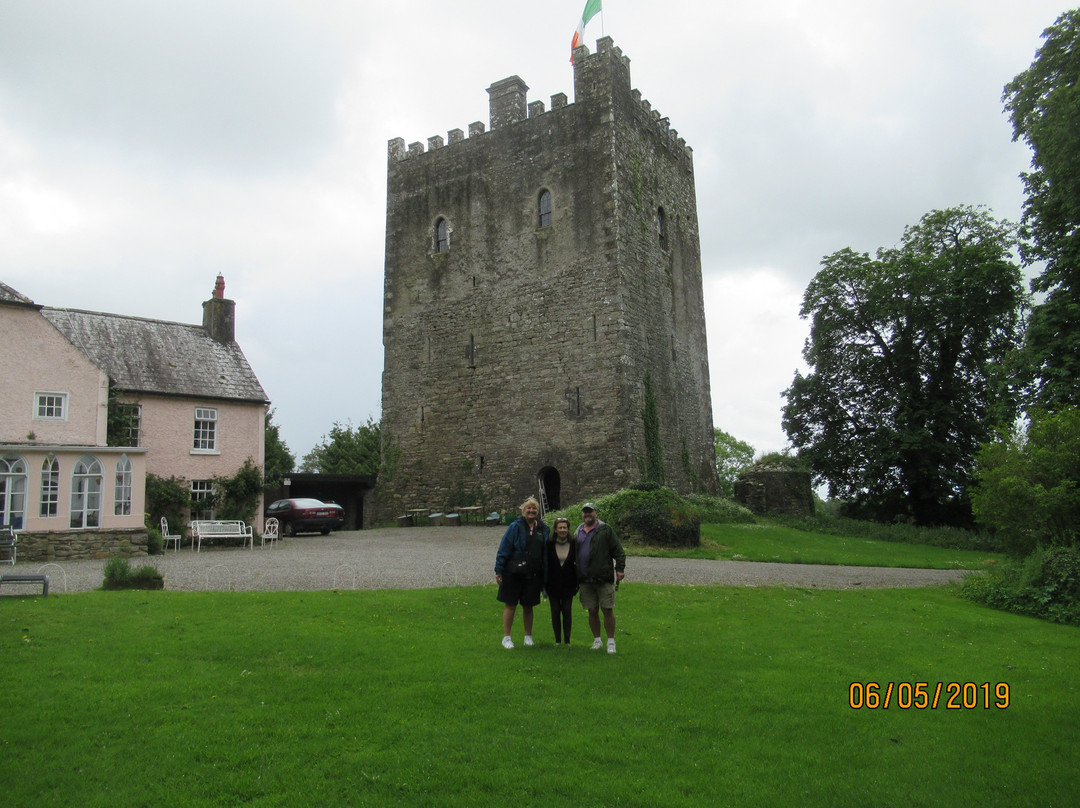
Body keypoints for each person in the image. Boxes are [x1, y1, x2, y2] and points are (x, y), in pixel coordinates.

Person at [494, 497, 549, 649]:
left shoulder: (543, 529)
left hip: (533, 573)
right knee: (511, 604)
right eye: (528, 508)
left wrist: (545, 575)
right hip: (514, 572)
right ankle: (506, 637)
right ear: (523, 510)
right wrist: (499, 569)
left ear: (538, 511)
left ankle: (528, 636)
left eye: (534, 508)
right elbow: (504, 548)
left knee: (528, 605)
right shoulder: (515, 527)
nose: (531, 511)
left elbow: (545, 553)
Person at [575, 502, 625, 653]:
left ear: (596, 512)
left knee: (607, 609)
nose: (587, 514)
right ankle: (597, 640)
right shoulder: (578, 530)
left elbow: (618, 550)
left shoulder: (605, 529)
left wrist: (620, 569)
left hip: (603, 577)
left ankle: (611, 641)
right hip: (585, 578)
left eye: (590, 511)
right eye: (585, 512)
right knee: (592, 610)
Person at [544, 517, 578, 645]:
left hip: (569, 583)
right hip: (553, 584)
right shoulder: (549, 544)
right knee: (555, 611)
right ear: (556, 530)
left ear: (568, 529)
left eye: (565, 527)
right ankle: (557, 640)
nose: (563, 530)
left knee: (567, 611)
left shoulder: (574, 543)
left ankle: (567, 640)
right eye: (560, 527)